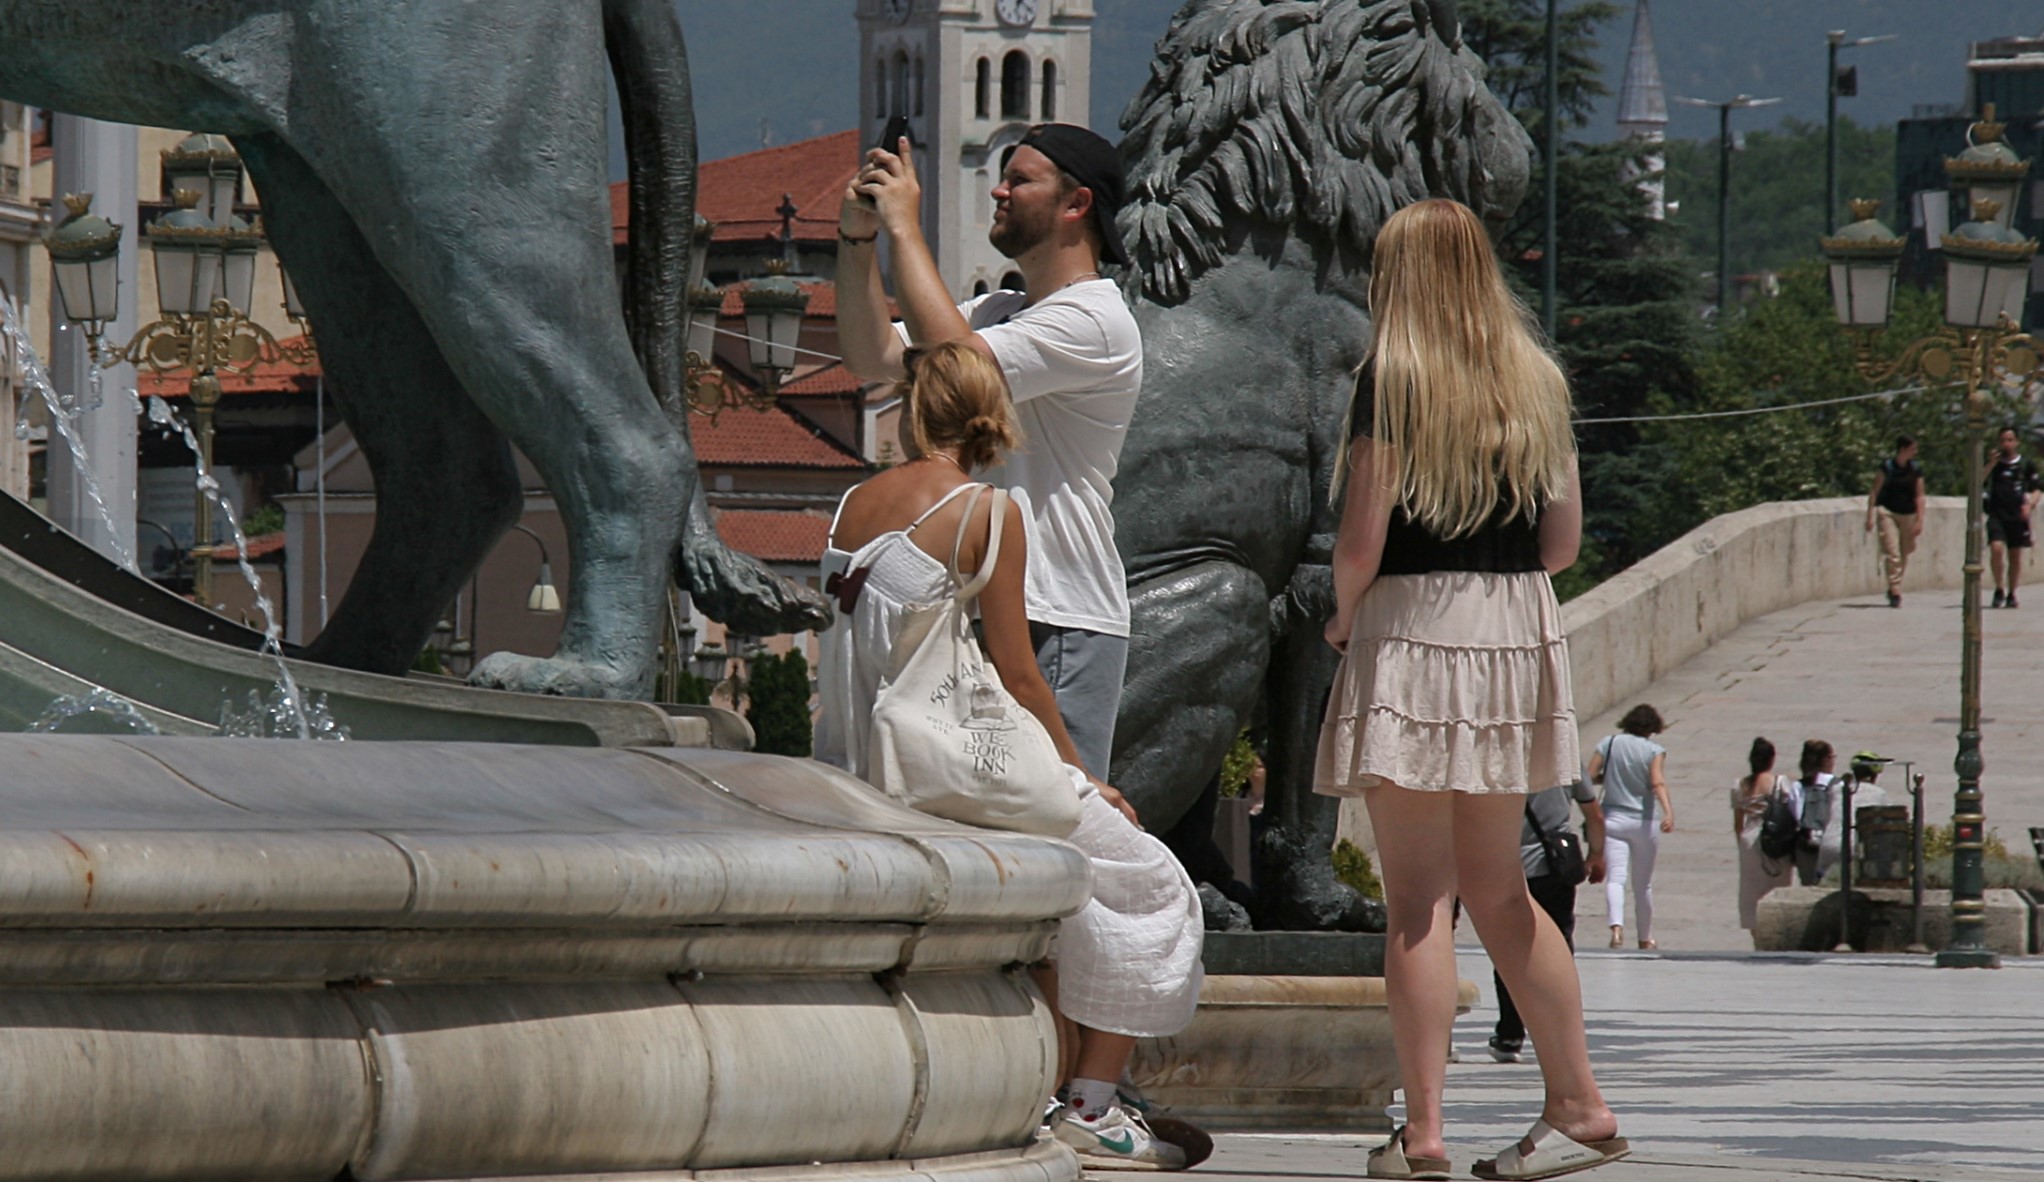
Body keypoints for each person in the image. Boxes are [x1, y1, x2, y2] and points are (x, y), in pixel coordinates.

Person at [812, 343, 1201, 1171]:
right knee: (1150, 883)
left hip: (859, 763)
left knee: (1077, 897)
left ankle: (1053, 1088)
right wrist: (1081, 773)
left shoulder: (851, 503)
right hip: (958, 765)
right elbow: (1020, 671)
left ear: (916, 408)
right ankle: (1095, 1108)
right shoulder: (988, 512)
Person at [1313, 199, 1623, 1182]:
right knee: (1501, 888)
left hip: (1411, 627)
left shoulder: (1390, 383)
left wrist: (1336, 617)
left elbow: (1360, 544)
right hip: (1508, 631)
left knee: (1416, 900)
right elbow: (1562, 543)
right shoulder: (1537, 380)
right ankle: (1577, 1101)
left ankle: (1426, 1131)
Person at [836, 121, 1141, 779]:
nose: (998, 191)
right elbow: (872, 355)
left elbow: (953, 362)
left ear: (1076, 204)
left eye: (1019, 179)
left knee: (1060, 830)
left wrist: (904, 228)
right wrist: (858, 238)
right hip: (981, 604)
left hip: (1057, 612)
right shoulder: (998, 310)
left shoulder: (1098, 318)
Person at [1488, 782, 1606, 1066]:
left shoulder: (1504, 755)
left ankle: (1510, 1034)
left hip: (1513, 868)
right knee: (1560, 946)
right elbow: (1594, 814)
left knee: (1510, 950)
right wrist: (1596, 855)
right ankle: (1564, 1035)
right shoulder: (1566, 757)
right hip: (1556, 865)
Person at [1587, 705, 1674, 951]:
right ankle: (1645, 938)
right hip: (1643, 821)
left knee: (1615, 878)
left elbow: (1588, 775)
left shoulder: (1609, 743)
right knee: (1642, 884)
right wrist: (1668, 811)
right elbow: (1657, 781)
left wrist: (1608, 778)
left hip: (1612, 819)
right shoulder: (1654, 750)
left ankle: (1616, 930)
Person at [1730, 737, 1791, 939]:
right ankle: (1775, 933)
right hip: (1774, 839)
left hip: (1749, 839)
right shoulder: (1780, 782)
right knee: (1776, 887)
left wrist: (1742, 846)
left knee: (1751, 890)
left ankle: (1756, 934)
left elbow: (1738, 823)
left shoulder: (1739, 785)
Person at [1865, 435, 1925, 608]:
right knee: (1893, 553)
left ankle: (1894, 586)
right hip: (1888, 512)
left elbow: (1920, 495)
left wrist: (1920, 520)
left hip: (1908, 514)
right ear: (1903, 449)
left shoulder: (1915, 469)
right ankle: (1895, 589)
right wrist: (1869, 515)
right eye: (1913, 448)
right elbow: (1874, 491)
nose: (1915, 452)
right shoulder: (1887, 467)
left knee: (1905, 552)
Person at [1985, 427, 2041, 609]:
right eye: (2003, 440)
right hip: (1997, 513)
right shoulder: (1994, 465)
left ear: (2016, 442)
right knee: (1996, 548)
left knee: (2015, 556)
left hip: (2017, 515)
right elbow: (1978, 481)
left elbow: (2036, 488)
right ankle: (1999, 587)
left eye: (2010, 440)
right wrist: (1990, 464)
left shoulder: (2025, 465)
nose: (2006, 444)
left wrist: (2030, 504)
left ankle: (2012, 592)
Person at [1785, 740, 1835, 887]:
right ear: (1826, 760)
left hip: (1806, 847)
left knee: (1809, 889)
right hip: (1830, 844)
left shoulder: (1797, 786)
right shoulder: (1837, 784)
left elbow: (1796, 815)